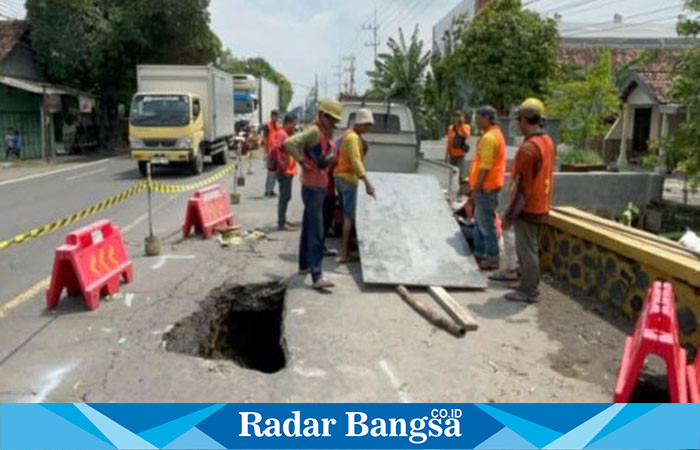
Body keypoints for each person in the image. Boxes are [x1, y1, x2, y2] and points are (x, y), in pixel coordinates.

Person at [283, 98, 343, 291]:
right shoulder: (315, 131)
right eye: (331, 118)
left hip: (315, 185)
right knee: (316, 231)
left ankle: (304, 266)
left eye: (335, 120)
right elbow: (289, 142)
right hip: (313, 187)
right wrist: (302, 162)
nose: (333, 122)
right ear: (322, 115)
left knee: (309, 226)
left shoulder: (324, 132)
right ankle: (317, 275)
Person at [503, 98, 556, 304]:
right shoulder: (547, 142)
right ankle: (526, 283)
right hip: (542, 203)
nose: (518, 124)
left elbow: (522, 189)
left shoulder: (528, 150)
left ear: (525, 120)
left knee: (526, 251)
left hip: (528, 207)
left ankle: (528, 290)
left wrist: (509, 215)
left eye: (519, 120)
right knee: (528, 248)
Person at [466, 106, 507, 271]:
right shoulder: (494, 135)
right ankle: (480, 254)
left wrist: (475, 190)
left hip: (486, 188)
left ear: (488, 118)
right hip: (487, 187)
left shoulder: (490, 138)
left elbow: (485, 168)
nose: (476, 121)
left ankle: (492, 258)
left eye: (479, 117)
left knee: (486, 225)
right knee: (480, 223)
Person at [335, 108, 376, 262]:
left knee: (347, 214)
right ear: (360, 123)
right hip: (347, 178)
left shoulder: (349, 134)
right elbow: (355, 160)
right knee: (349, 217)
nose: (367, 129)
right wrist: (367, 182)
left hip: (341, 176)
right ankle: (344, 253)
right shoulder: (352, 138)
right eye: (366, 126)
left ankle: (345, 250)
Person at [270, 113, 300, 231]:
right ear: (288, 123)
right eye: (294, 124)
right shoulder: (282, 134)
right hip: (284, 171)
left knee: (287, 196)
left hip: (289, 170)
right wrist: (282, 165)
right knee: (284, 196)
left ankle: (283, 219)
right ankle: (281, 222)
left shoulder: (288, 134)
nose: (295, 126)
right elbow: (276, 149)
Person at [446, 110, 471, 188]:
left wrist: (461, 124)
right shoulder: (450, 128)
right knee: (451, 174)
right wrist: (447, 153)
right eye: (455, 117)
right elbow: (449, 141)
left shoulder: (465, 127)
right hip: (452, 154)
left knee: (460, 175)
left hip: (460, 155)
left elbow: (466, 135)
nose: (456, 119)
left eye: (458, 117)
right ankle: (452, 189)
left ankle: (460, 191)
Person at [263, 110, 280, 197]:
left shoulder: (278, 126)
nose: (276, 118)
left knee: (275, 173)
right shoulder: (267, 126)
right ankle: (267, 190)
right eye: (274, 116)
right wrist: (265, 153)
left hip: (276, 153)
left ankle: (271, 190)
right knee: (271, 172)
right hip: (270, 152)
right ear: (271, 116)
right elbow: (265, 140)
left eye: (277, 116)